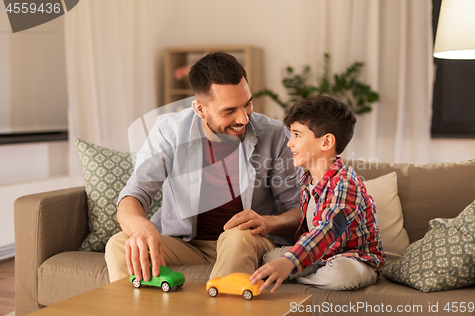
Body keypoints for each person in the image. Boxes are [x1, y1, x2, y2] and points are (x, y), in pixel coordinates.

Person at [105, 52, 302, 283]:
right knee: (118, 244)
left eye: (247, 104)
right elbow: (136, 192)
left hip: (247, 243)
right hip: (185, 244)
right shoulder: (169, 131)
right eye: (229, 111)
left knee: (237, 237)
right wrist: (140, 226)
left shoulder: (276, 135)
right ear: (200, 108)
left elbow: (300, 209)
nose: (244, 119)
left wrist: (267, 222)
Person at [250, 95, 385, 292]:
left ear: (326, 142)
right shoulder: (307, 181)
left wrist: (289, 263)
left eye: (297, 135)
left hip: (354, 259)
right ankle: (303, 270)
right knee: (270, 258)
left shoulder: (345, 183)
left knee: (341, 274)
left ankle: (297, 275)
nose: (289, 143)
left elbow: (328, 229)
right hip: (321, 256)